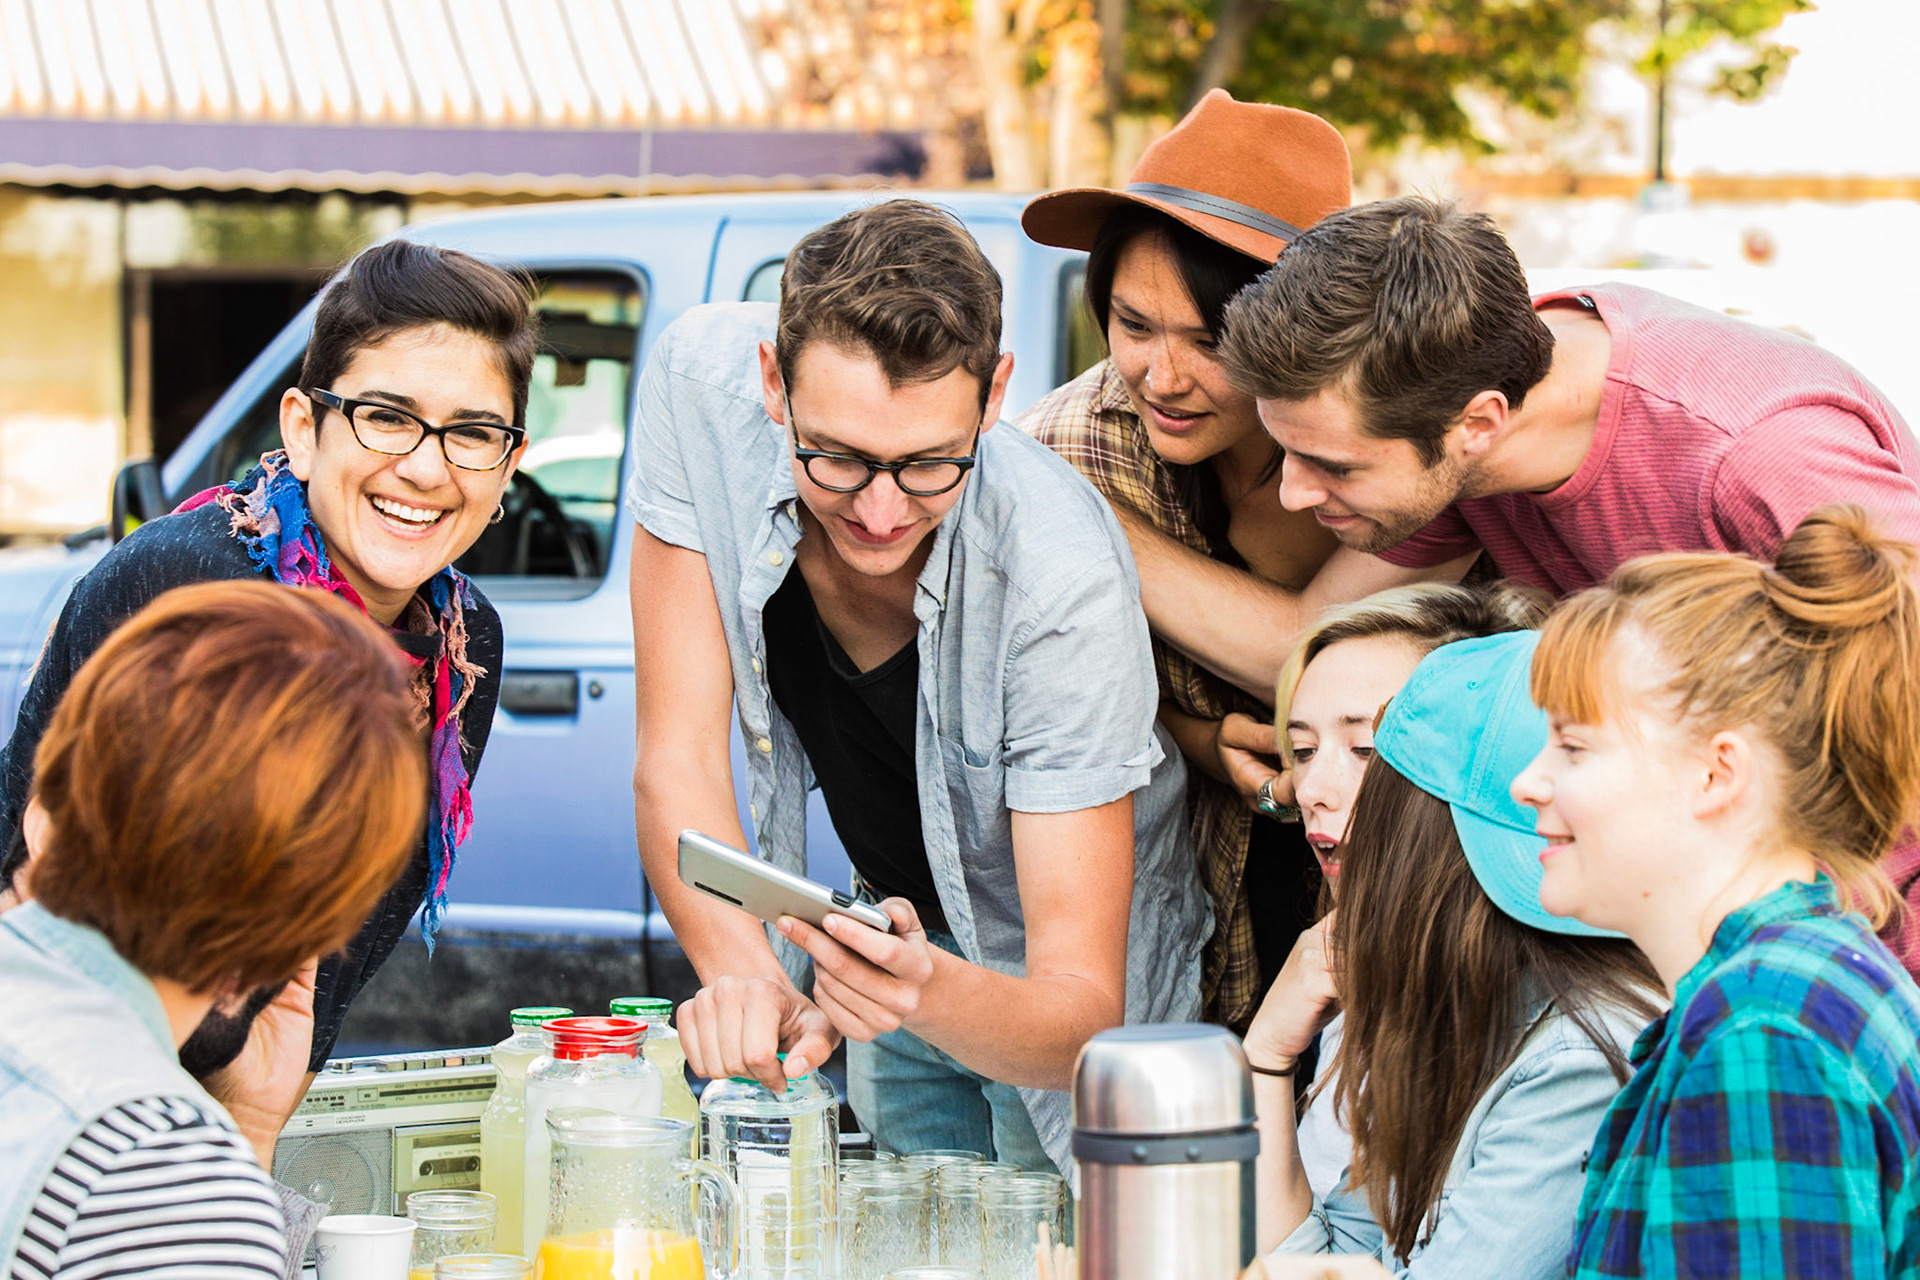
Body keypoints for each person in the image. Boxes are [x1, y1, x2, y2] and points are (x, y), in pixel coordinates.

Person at [626, 198, 1209, 1176]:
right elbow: (675, 756)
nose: (882, 510)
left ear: (994, 397)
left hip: (1035, 1003)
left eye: (932, 464)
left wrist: (916, 988)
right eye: (839, 457)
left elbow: (1079, 1012)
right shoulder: (701, 386)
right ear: (773, 380)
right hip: (882, 942)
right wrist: (748, 976)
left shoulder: (1060, 573)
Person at [1208, 195, 1920, 972]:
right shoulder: (1451, 421)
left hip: (1852, 963)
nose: (1293, 496)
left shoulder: (1757, 449)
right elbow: (1309, 641)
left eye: (1333, 466)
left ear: (1479, 423)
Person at [0, 238, 525, 1086]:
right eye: (386, 417)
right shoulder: (194, 583)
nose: (426, 467)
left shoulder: (465, 646)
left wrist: (253, 1127)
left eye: (472, 433)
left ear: (508, 468)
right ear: (304, 430)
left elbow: (337, 950)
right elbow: (43, 875)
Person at [1513, 505, 1920, 1276]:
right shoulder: (1794, 987)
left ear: (1716, 774)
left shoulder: (1762, 1034)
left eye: (1572, 744)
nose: (1527, 782)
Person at [1019, 90, 1351, 1029]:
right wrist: (1200, 738)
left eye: (1211, 341)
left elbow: (1324, 650)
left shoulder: (1397, 447)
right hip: (1178, 926)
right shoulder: (1069, 449)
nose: (1164, 378)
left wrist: (1094, 529)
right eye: (1133, 327)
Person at [0, 580, 427, 1279]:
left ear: (42, 807)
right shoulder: (162, 1182)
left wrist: (244, 1128)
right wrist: (231, 1151)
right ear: (308, 930)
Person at [1253, 627, 1662, 1278]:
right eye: (1301, 751)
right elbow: (1329, 1260)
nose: (1311, 793)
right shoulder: (1446, 1006)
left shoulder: (1578, 1052)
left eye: (1367, 756)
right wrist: (1267, 1057)